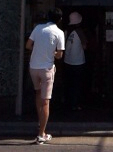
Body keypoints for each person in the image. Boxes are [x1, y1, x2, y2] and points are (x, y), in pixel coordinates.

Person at [26, 8, 65, 145]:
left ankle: (40, 121)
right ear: (60, 19)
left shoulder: (38, 28)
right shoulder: (59, 33)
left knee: (38, 93)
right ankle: (41, 134)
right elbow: (59, 55)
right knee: (45, 101)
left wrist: (38, 49)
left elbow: (28, 45)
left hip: (33, 67)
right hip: (46, 69)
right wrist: (51, 53)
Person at [63, 12, 87, 111]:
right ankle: (75, 104)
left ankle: (67, 102)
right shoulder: (79, 32)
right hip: (78, 62)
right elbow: (85, 46)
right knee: (77, 84)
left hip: (67, 61)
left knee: (68, 82)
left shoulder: (66, 31)